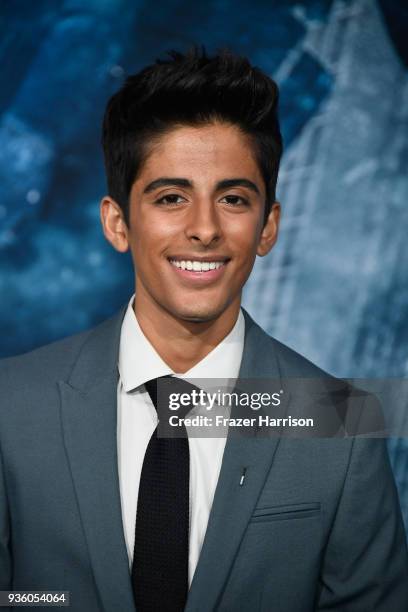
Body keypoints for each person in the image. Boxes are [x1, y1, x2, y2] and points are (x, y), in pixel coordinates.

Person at [0, 48, 407, 612]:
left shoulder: (342, 421)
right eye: (171, 198)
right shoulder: (11, 407)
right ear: (117, 222)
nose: (205, 229)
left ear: (268, 227)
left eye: (234, 199)